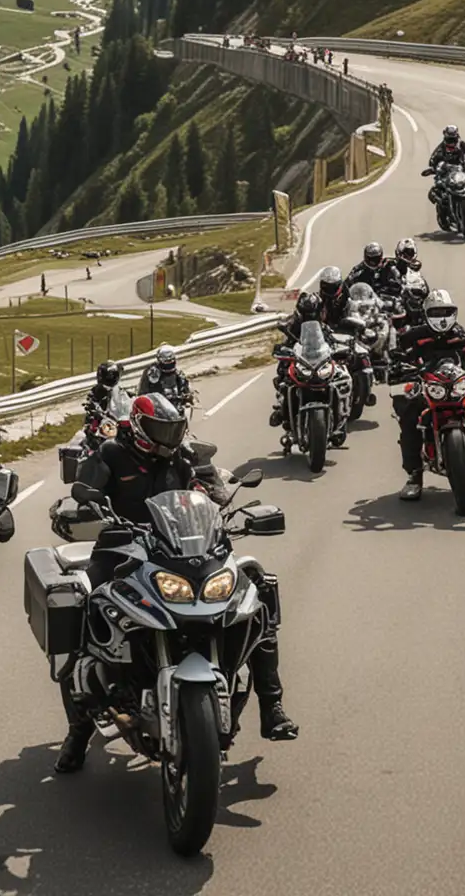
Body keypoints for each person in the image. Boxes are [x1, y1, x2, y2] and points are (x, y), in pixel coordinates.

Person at [58, 395, 297, 768]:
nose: (167, 438)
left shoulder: (182, 458)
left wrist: (223, 504)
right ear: (138, 426)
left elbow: (209, 492)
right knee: (84, 599)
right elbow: (86, 494)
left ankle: (273, 703)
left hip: (182, 553)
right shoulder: (110, 453)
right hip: (122, 548)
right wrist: (87, 510)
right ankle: (78, 730)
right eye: (160, 430)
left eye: (173, 430)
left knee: (256, 587)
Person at [393, 290, 465, 501]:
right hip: (429, 385)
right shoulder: (413, 336)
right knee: (410, 418)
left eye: (446, 312)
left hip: (456, 382)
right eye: (436, 312)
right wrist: (398, 367)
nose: (441, 317)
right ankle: (414, 475)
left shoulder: (458, 333)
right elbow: (399, 357)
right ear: (426, 313)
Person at [269, 290, 327, 427]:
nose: (310, 316)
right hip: (299, 358)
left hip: (319, 359)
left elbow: (331, 338)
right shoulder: (293, 323)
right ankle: (282, 408)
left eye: (313, 312)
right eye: (307, 313)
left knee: (338, 373)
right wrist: (282, 349)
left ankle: (341, 407)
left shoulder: (323, 326)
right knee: (284, 377)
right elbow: (285, 335)